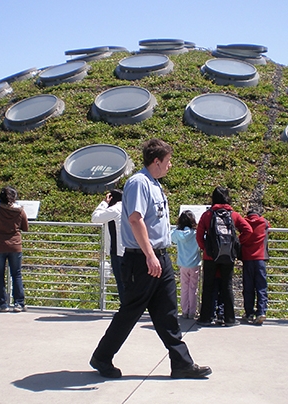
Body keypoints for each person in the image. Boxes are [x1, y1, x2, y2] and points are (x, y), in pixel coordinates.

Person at [90, 138, 211, 379]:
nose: (170, 165)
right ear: (156, 161)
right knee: (130, 312)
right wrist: (149, 256)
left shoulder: (154, 184)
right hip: (143, 260)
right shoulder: (138, 183)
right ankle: (102, 357)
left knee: (167, 312)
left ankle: (182, 363)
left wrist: (158, 257)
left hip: (160, 258)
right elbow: (136, 220)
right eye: (168, 161)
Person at [196, 187, 253, 327]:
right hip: (228, 256)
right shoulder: (233, 215)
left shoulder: (207, 214)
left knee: (208, 286)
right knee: (227, 285)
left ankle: (206, 318)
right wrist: (236, 244)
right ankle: (229, 318)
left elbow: (199, 235)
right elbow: (248, 230)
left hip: (210, 257)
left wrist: (206, 248)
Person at [0, 186, 29, 312]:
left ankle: (2, 303)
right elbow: (25, 227)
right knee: (16, 274)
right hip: (15, 246)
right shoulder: (20, 211)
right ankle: (19, 303)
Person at [91, 189, 125, 304]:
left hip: (118, 252)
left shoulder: (115, 209)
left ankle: (126, 308)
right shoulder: (128, 207)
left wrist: (104, 203)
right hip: (131, 249)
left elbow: (95, 218)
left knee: (121, 282)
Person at [241, 209, 270, 325]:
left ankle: (249, 313)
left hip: (247, 259)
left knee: (248, 288)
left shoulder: (244, 222)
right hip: (260, 259)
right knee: (261, 286)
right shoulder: (264, 222)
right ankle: (261, 312)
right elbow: (268, 228)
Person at [171, 210, 201, 319]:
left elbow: (171, 238)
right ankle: (192, 312)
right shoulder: (195, 233)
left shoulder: (177, 233)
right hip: (194, 264)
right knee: (193, 288)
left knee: (184, 287)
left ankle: (184, 311)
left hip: (182, 264)